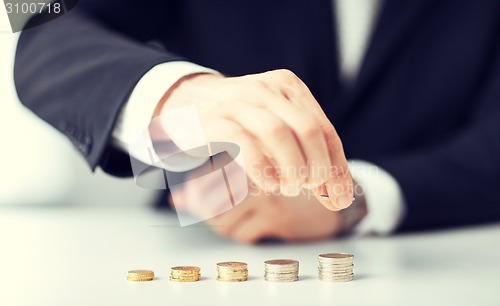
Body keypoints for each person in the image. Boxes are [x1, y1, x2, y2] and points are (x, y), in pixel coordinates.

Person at [14, 0, 500, 243]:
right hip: (200, 250)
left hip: (443, 250)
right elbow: (45, 21)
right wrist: (179, 95)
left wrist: (358, 198)